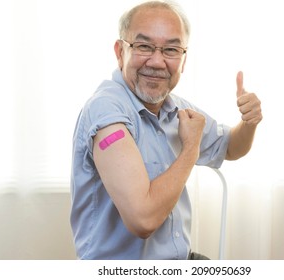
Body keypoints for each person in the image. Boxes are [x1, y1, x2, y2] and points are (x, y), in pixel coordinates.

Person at [70, 0, 262, 260]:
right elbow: (143, 219)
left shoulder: (175, 108)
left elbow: (231, 147)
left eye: (171, 49)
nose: (158, 61)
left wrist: (248, 123)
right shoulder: (106, 111)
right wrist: (191, 149)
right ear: (119, 52)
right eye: (144, 46)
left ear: (183, 60)